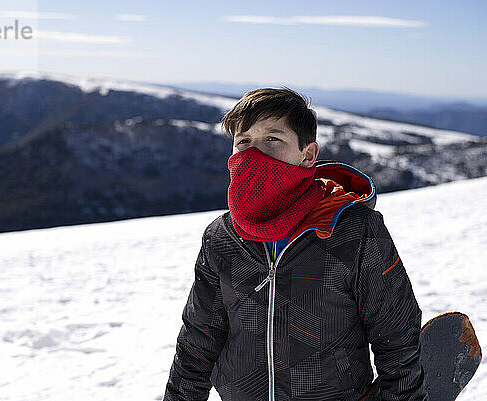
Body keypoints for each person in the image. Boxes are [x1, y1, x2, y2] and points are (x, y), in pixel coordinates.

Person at [163, 87, 427, 401]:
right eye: (243, 141)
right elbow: (198, 339)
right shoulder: (221, 237)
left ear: (308, 154)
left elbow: (395, 336)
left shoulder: (354, 230)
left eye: (272, 139)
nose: (253, 153)